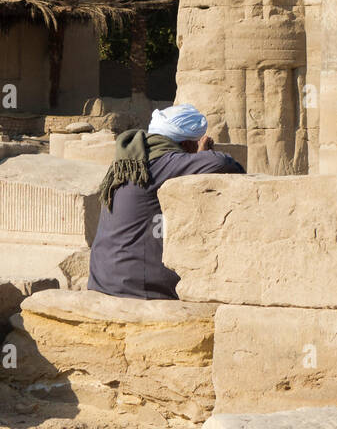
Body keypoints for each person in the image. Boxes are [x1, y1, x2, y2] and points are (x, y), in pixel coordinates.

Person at [87, 102, 244, 300]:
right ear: (187, 145)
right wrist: (203, 156)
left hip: (103, 280)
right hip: (134, 288)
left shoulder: (135, 158)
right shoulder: (165, 162)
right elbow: (224, 163)